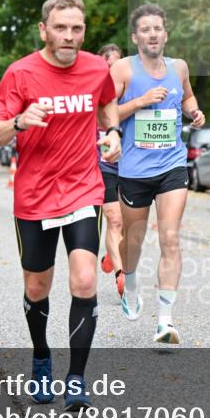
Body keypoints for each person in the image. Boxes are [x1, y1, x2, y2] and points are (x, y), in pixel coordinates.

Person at [0, 0, 121, 411]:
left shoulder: (97, 67)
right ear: (44, 30)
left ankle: (76, 379)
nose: (69, 36)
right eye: (60, 28)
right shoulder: (20, 73)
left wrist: (112, 131)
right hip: (35, 196)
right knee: (37, 287)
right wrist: (18, 122)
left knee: (83, 281)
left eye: (76, 28)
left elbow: (107, 100)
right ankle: (41, 356)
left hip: (83, 189)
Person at [110, 3, 205, 344]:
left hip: (172, 164)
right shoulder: (122, 69)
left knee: (170, 238)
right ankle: (130, 282)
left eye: (158, 29)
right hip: (134, 169)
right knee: (133, 240)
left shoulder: (179, 67)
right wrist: (140, 102)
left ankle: (165, 321)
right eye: (145, 29)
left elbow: (188, 96)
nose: (153, 34)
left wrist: (193, 111)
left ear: (166, 33)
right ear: (136, 36)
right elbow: (104, 114)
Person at [96, 43, 126, 295]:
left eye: (115, 66)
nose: (111, 71)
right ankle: (120, 276)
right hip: (103, 164)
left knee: (128, 225)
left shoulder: (129, 89)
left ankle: (111, 254)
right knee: (114, 220)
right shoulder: (94, 91)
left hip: (130, 167)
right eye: (107, 66)